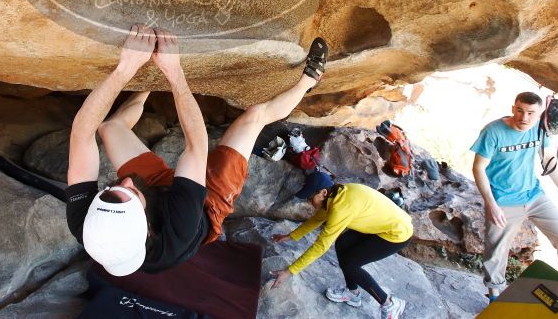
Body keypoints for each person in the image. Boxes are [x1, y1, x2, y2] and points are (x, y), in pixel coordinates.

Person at [65, 23, 328, 276]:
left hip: (156, 192)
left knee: (109, 128)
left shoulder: (89, 224)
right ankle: (310, 79)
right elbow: (196, 147)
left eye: (112, 189)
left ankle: (148, 81)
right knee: (254, 117)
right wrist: (173, 71)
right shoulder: (180, 230)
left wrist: (126, 68)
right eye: (129, 191)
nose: (125, 180)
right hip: (207, 204)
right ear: (146, 228)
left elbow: (80, 135)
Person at [472, 91, 558, 301]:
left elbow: (548, 159)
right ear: (513, 108)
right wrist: (491, 204)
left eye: (531, 113)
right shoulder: (493, 132)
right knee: (496, 251)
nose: (524, 117)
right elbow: (478, 168)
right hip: (503, 200)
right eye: (520, 111)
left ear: (539, 115)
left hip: (534, 195)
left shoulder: (539, 130)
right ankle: (495, 295)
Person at [269, 171, 412, 319]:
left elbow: (320, 247)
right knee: (343, 243)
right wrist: (290, 236)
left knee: (351, 264)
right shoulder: (336, 194)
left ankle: (389, 304)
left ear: (323, 192)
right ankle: (353, 293)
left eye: (311, 197)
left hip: (397, 234)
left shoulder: (340, 208)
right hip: (382, 224)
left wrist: (289, 271)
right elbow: (317, 219)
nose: (309, 202)